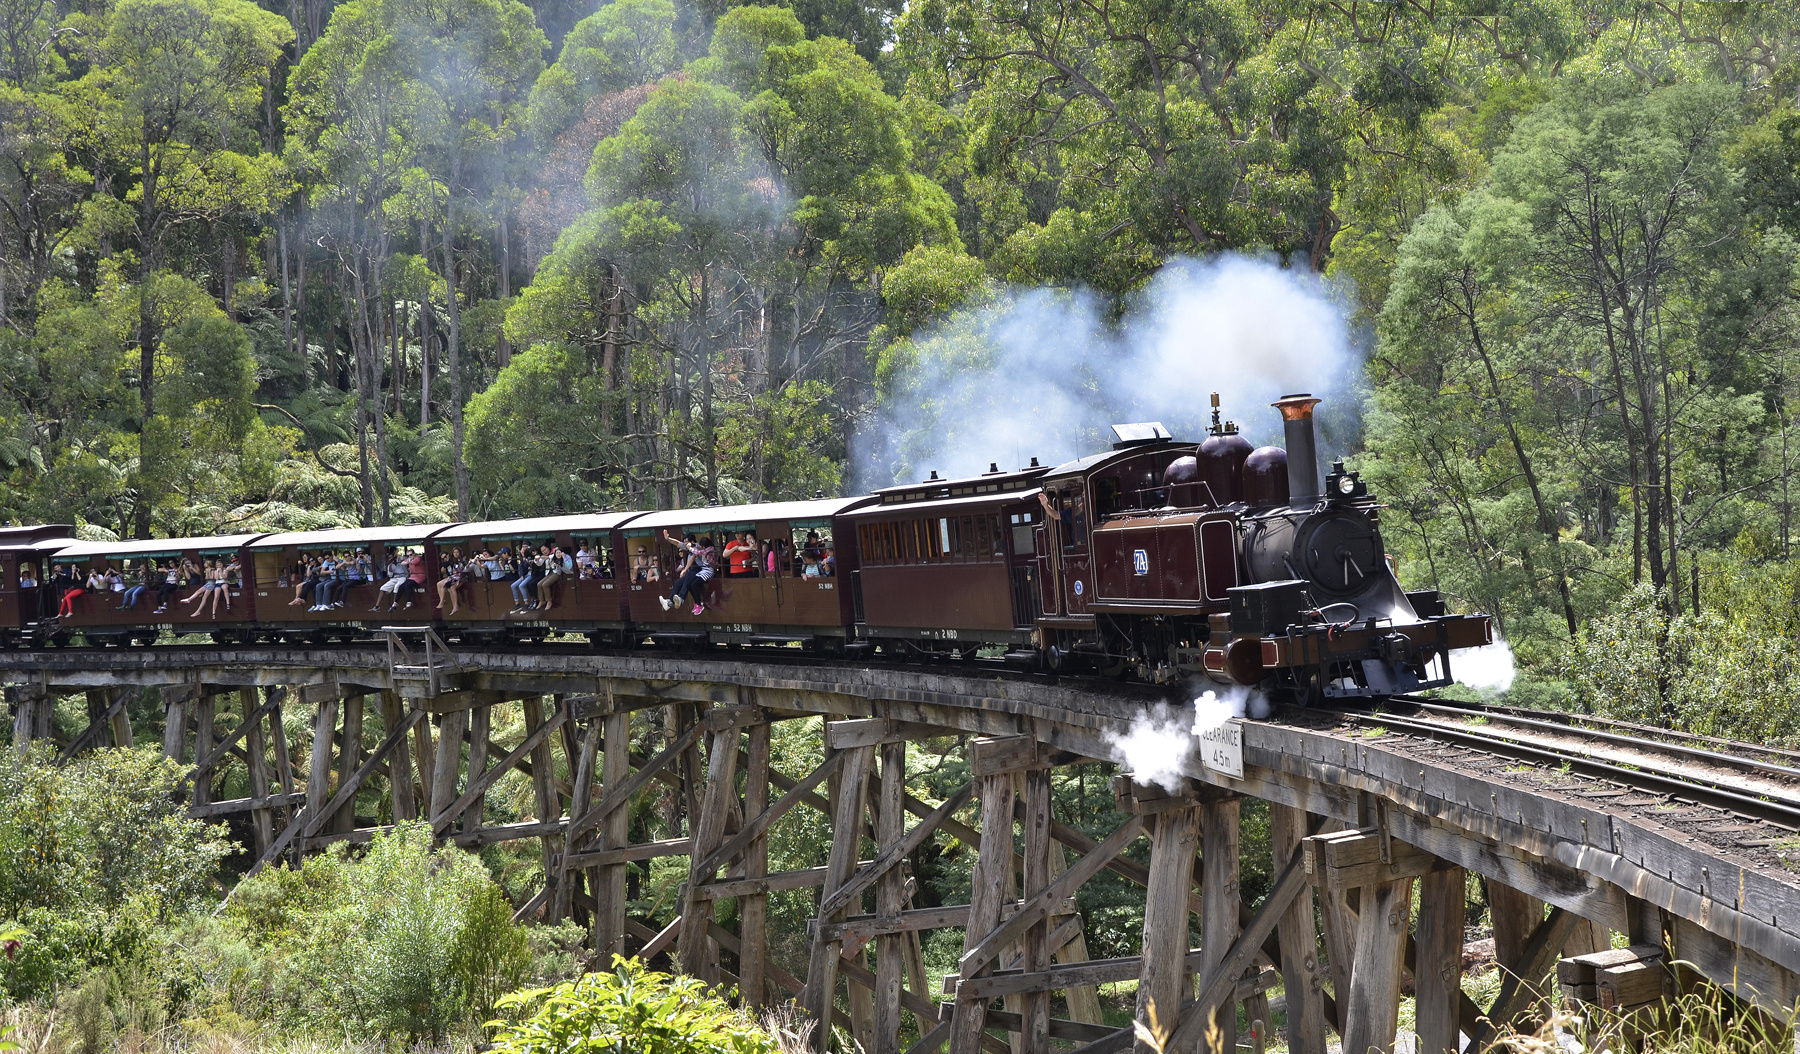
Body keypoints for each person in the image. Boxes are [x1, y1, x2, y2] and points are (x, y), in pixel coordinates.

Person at [536, 545, 572, 611]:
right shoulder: (546, 556)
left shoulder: (554, 554)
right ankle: (541, 600)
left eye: (545, 549)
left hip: (556, 573)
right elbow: (539, 563)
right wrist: (537, 560)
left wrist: (545, 557)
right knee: (539, 584)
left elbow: (553, 556)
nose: (544, 551)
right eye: (542, 551)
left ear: (548, 548)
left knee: (545, 584)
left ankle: (549, 601)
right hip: (548, 573)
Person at [437, 547, 467, 615]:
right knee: (439, 584)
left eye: (457, 552)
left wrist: (459, 579)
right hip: (453, 577)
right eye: (454, 552)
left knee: (452, 588)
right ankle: (442, 601)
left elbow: (463, 570)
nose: (456, 554)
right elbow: (443, 569)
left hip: (461, 577)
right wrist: (446, 561)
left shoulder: (463, 560)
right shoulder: (452, 561)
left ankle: (455, 606)